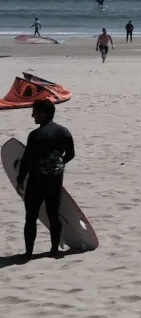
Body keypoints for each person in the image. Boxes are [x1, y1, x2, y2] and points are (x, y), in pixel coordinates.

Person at [16, 99, 75, 259]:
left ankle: (28, 253)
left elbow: (27, 160)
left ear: (43, 114)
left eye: (35, 112)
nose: (32, 115)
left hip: (36, 181)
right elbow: (70, 154)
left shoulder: (36, 135)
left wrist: (20, 179)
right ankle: (54, 250)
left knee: (31, 217)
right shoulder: (64, 132)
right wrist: (57, 164)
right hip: (55, 180)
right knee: (54, 214)